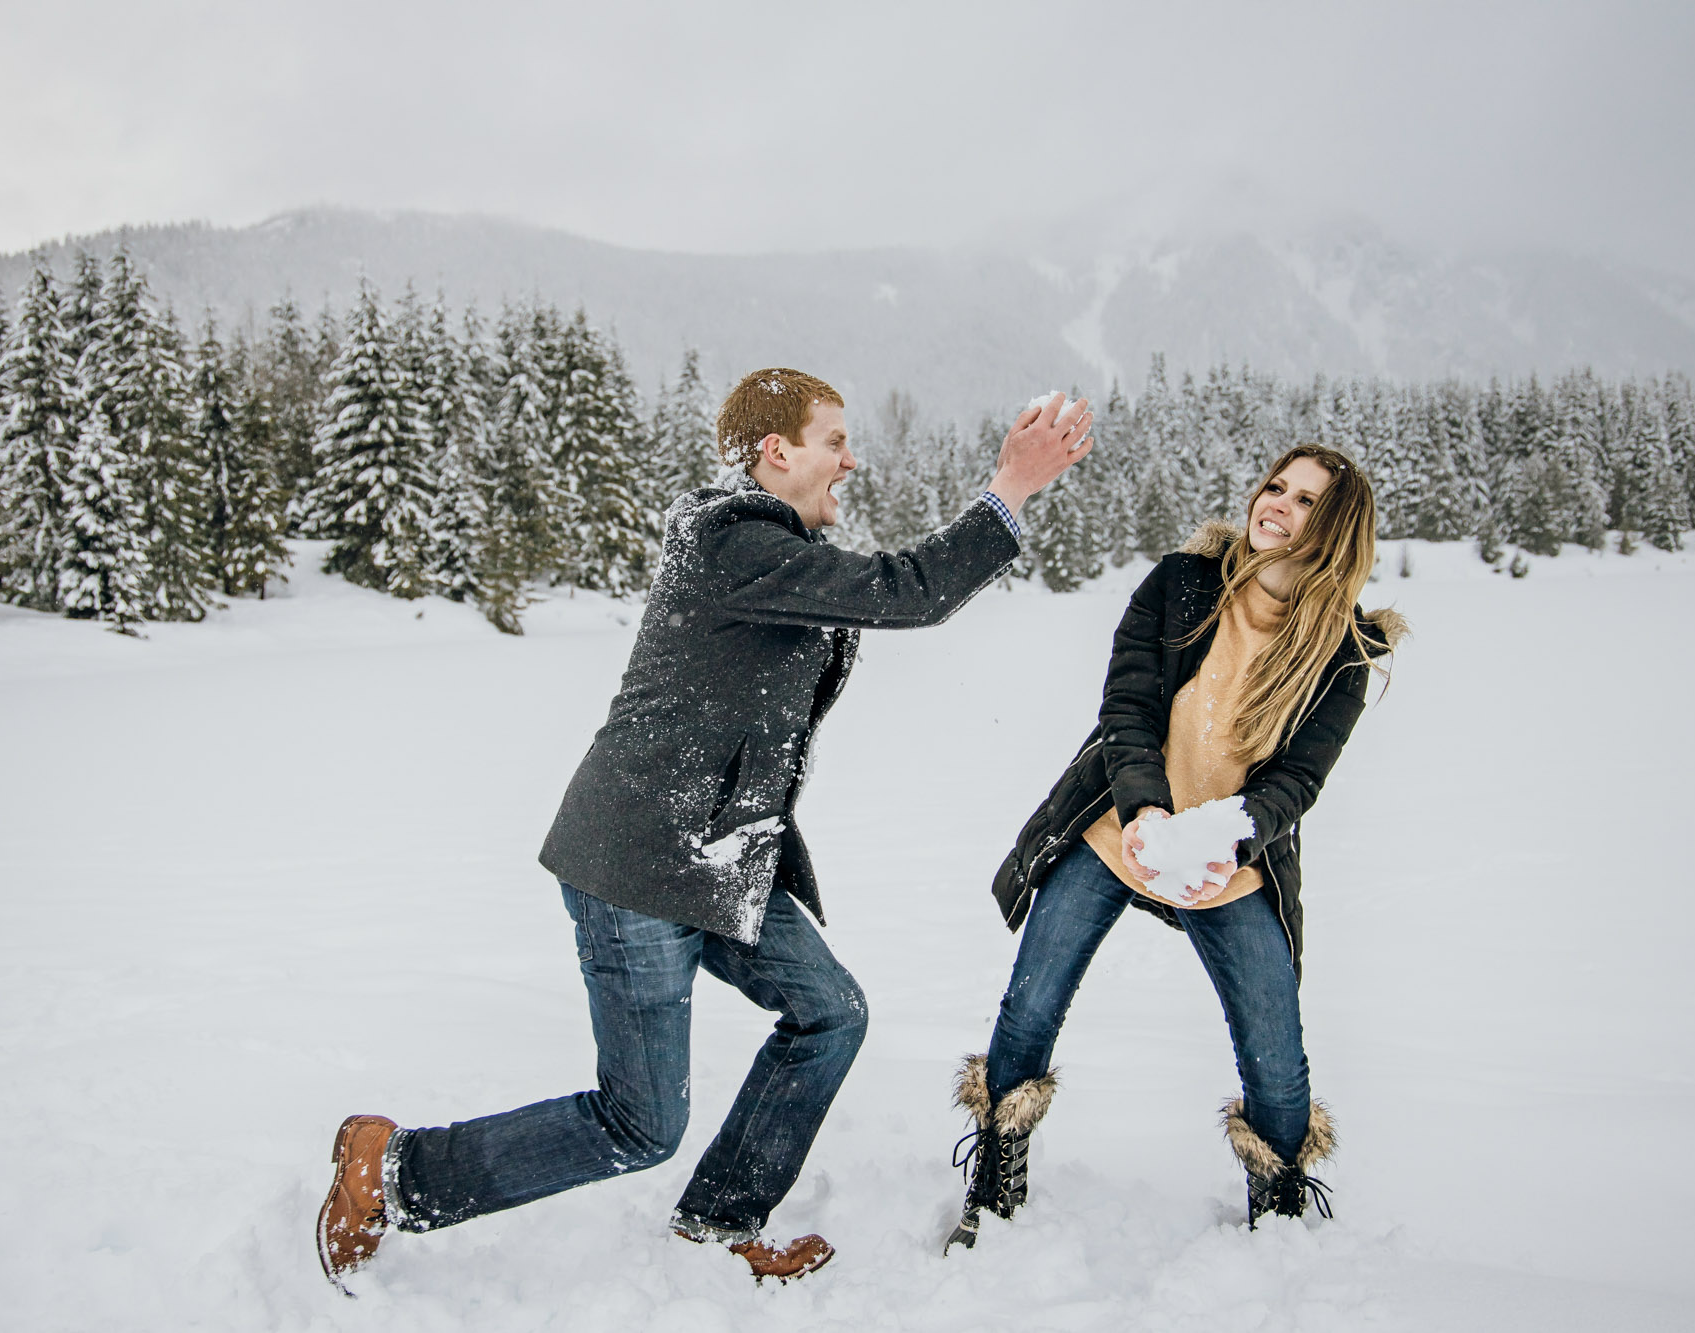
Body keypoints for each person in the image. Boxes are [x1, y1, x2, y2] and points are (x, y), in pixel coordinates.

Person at [318, 369, 1094, 1292]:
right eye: (835, 441)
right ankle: (392, 1171)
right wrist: (1010, 488)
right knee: (638, 1122)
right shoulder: (732, 541)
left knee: (830, 1013)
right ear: (778, 452)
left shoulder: (771, 547)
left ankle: (720, 1219)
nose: (852, 459)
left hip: (724, 862)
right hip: (640, 865)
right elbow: (908, 590)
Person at [945, 444, 1406, 1252]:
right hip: (1119, 824)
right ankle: (996, 1169)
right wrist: (1148, 811)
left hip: (1228, 860)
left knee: (1275, 1046)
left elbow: (1298, 779)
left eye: (1304, 501)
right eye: (1276, 487)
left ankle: (1283, 1208)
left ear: (1334, 528)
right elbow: (1125, 708)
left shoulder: (1346, 651)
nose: (1278, 506)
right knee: (1033, 996)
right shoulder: (1183, 583)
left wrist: (1226, 835)